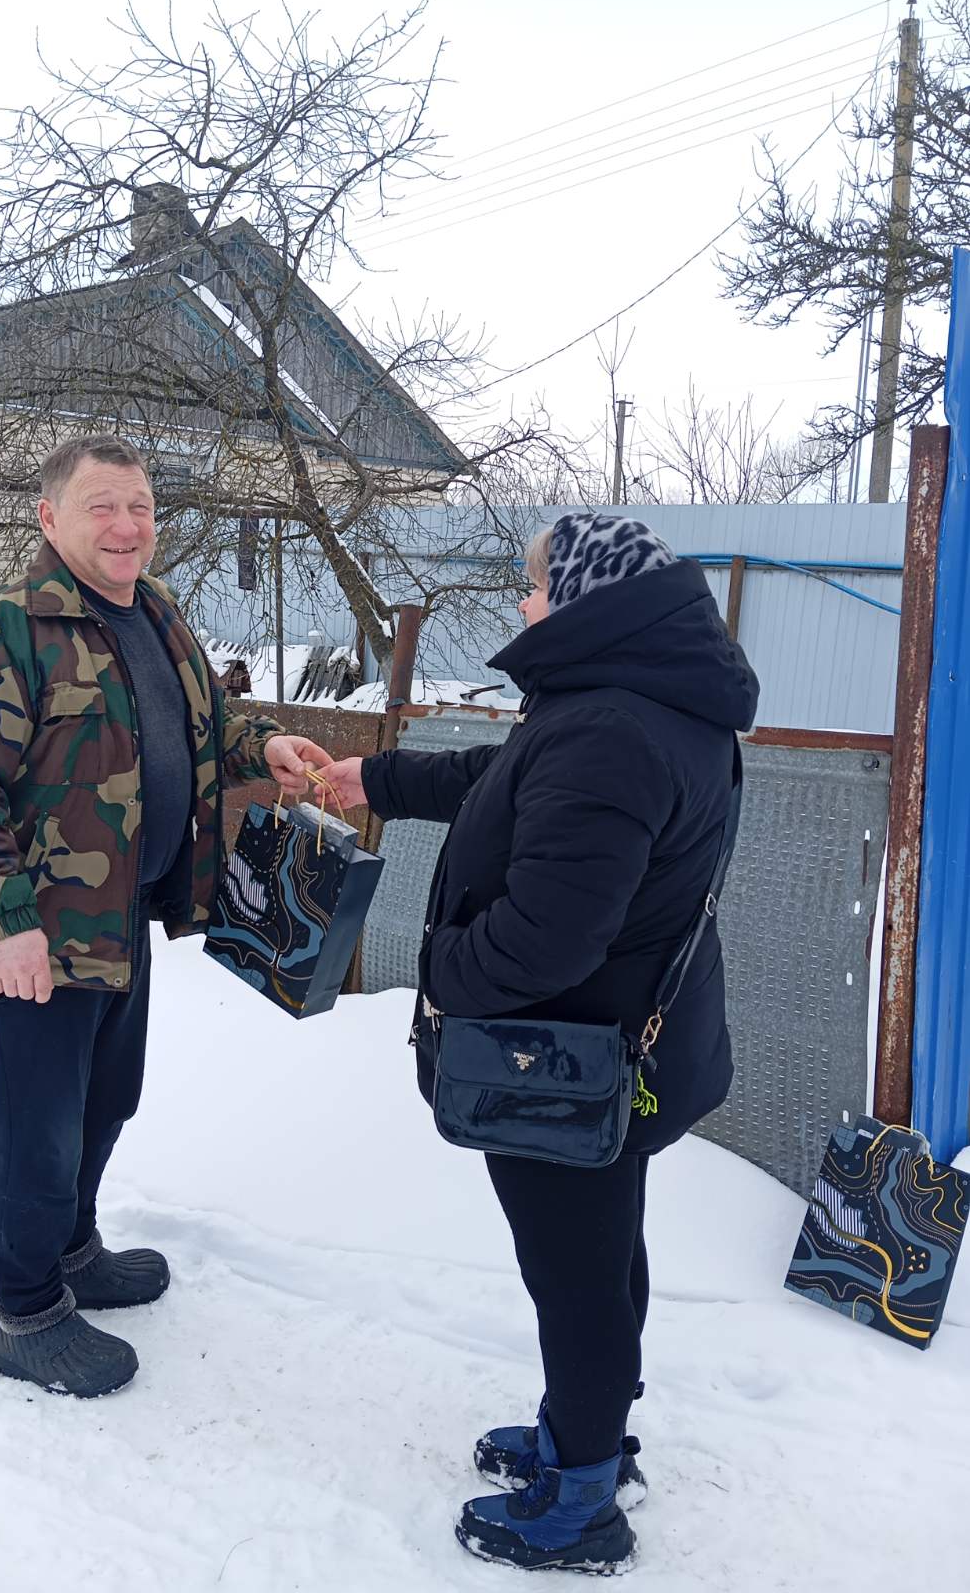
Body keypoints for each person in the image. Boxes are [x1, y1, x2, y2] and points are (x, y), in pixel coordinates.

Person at [320, 512, 758, 1574]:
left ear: (585, 600)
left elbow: (546, 940)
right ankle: (585, 1434)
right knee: (599, 1255)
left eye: (534, 585)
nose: (521, 604)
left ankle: (580, 1503)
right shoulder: (636, 700)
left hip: (559, 1063)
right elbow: (508, 780)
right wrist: (376, 781)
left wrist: (439, 975)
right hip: (615, 1050)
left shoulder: (611, 728)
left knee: (574, 1276)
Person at [0, 434, 332, 1398]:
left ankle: (72, 1250)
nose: (126, 525)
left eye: (139, 506)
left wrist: (261, 746)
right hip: (40, 934)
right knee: (39, 1127)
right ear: (49, 517)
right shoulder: (3, 630)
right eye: (101, 506)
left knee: (107, 1101)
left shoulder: (156, 613)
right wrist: (0, 924)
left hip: (123, 918)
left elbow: (197, 727)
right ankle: (25, 1310)